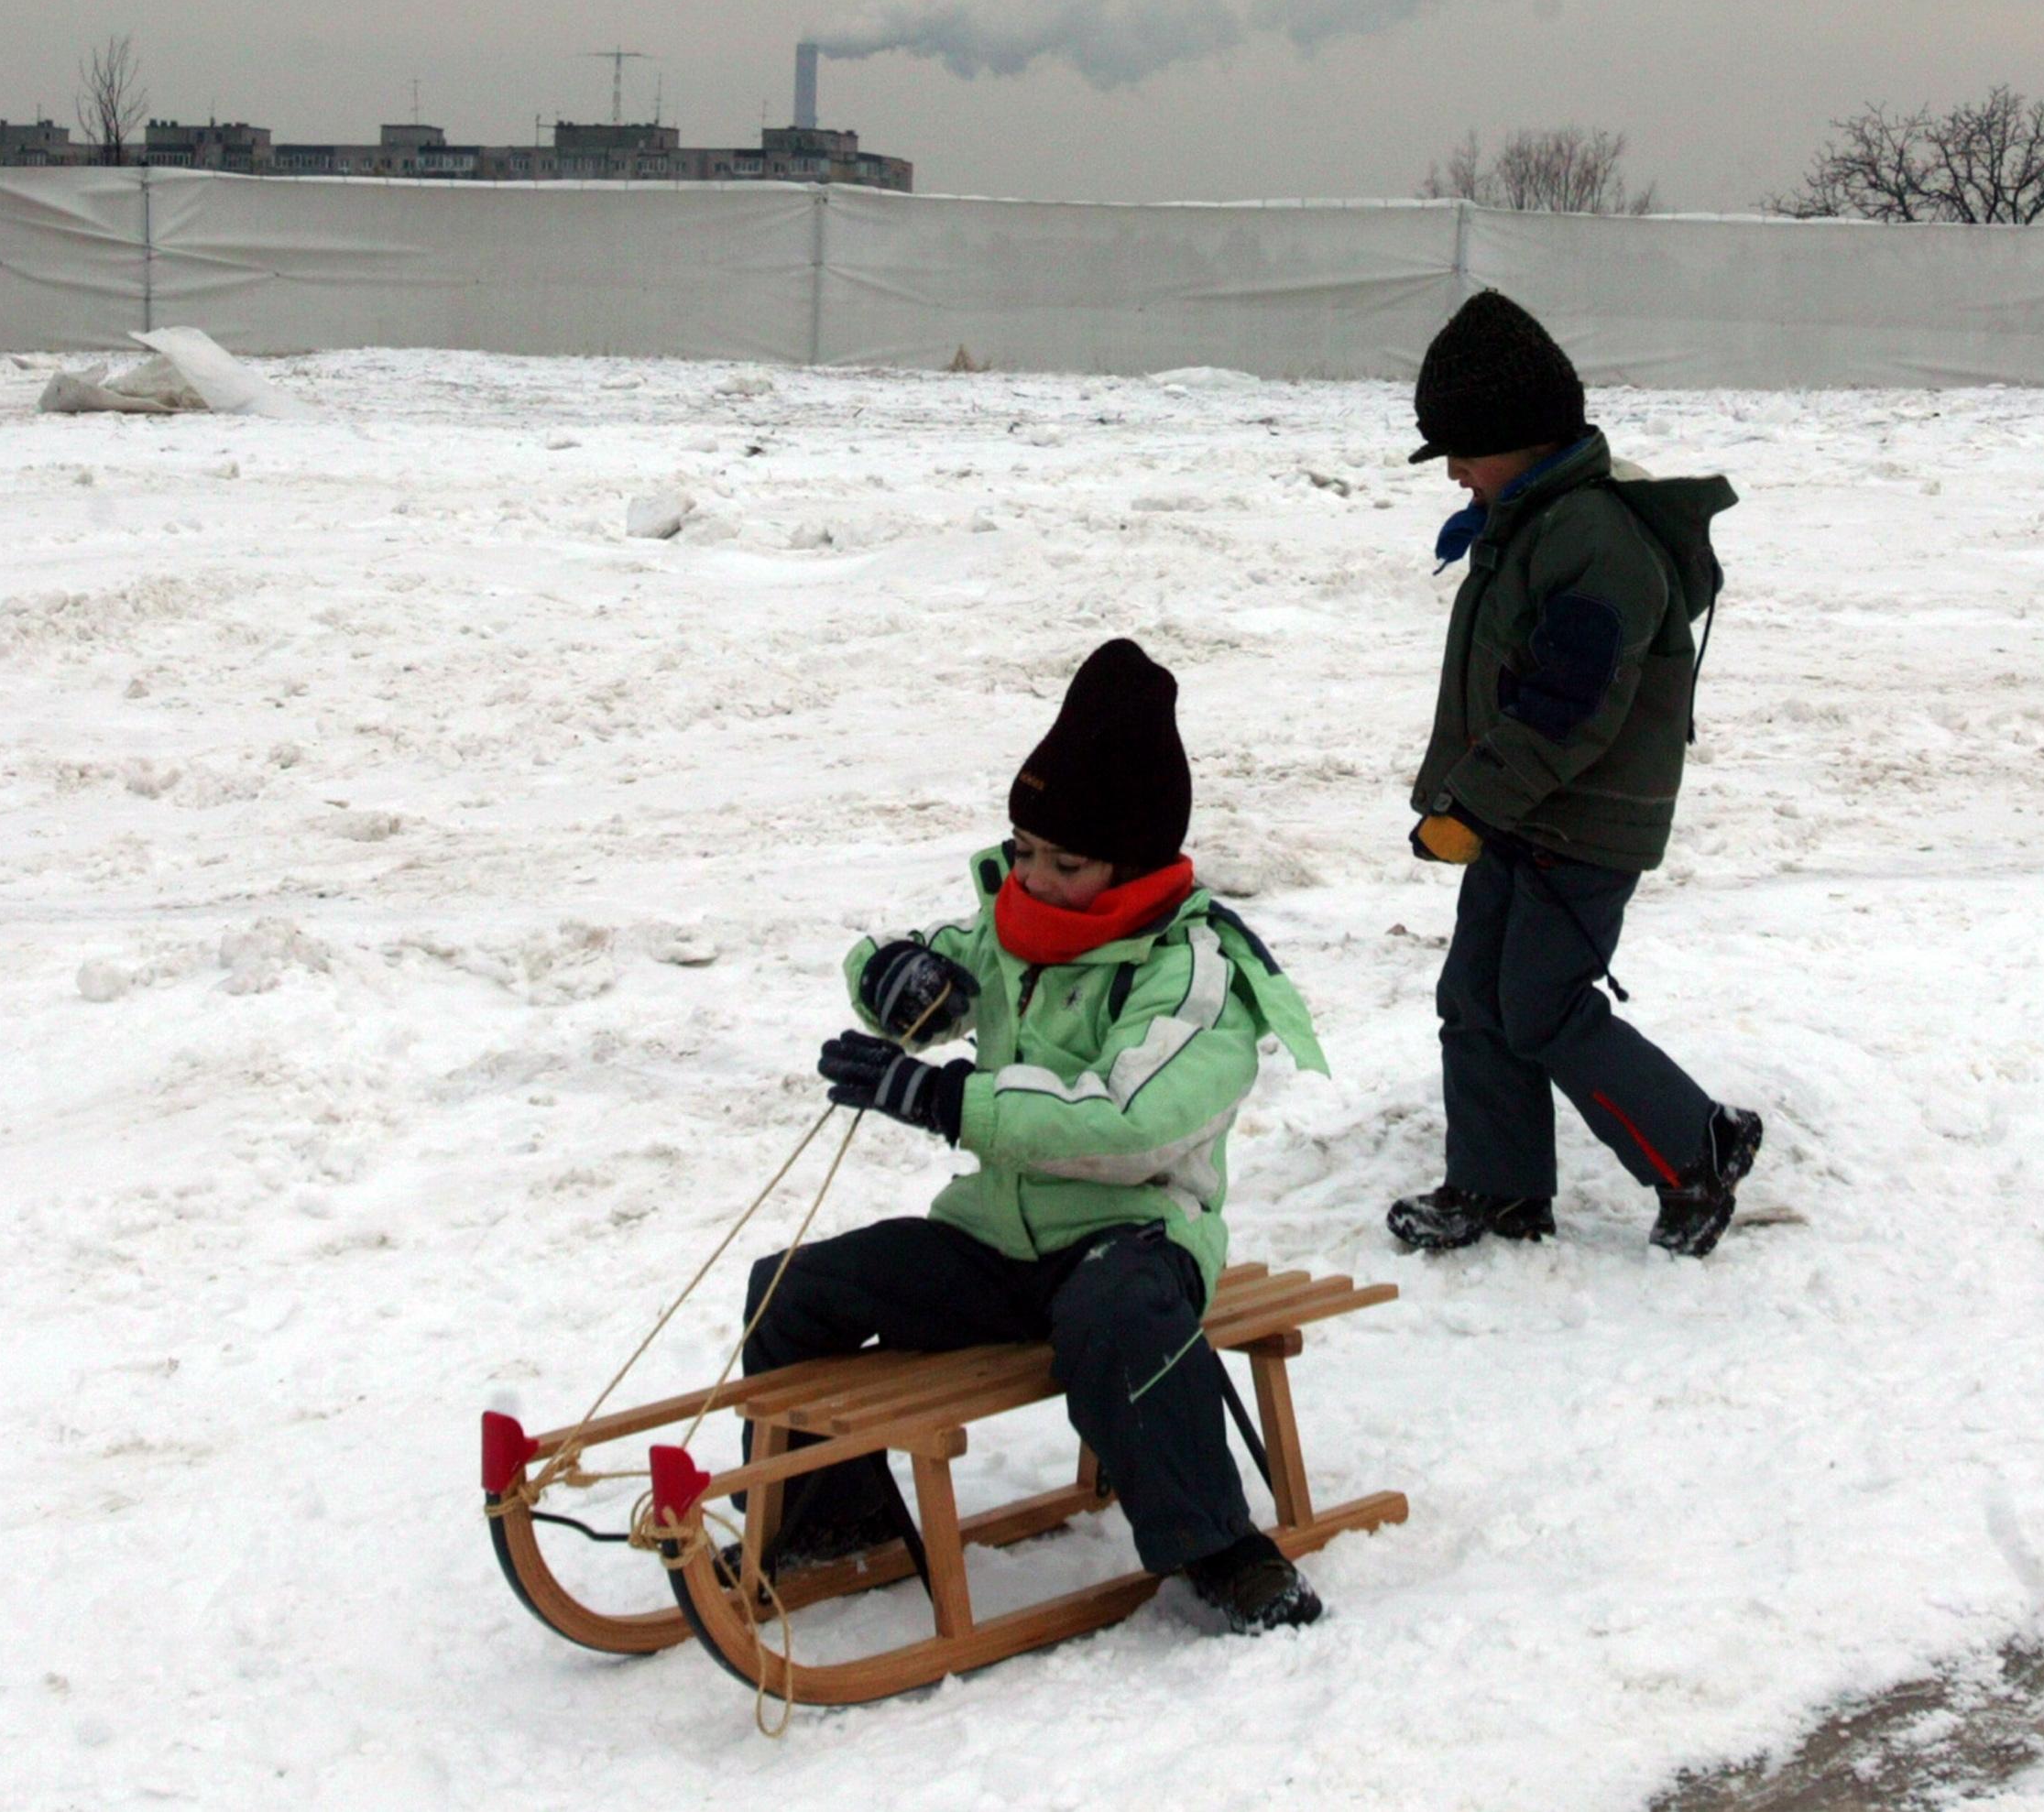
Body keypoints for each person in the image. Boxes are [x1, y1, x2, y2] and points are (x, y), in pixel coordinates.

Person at [743, 638, 1335, 1634]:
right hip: (996, 1241)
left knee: (1118, 1314)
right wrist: (890, 975)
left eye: (1065, 861)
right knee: (790, 1291)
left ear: (1131, 865)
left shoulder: (1197, 971)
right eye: (1022, 851)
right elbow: (931, 961)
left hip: (1132, 1237)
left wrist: (946, 1101)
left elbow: (1131, 1124)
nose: (1034, 878)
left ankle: (1221, 1548)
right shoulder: (1017, 925)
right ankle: (834, 1516)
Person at [1386, 289, 1765, 1259]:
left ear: (1523, 438)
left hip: (1584, 823)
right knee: (1475, 1000)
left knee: (1543, 1009)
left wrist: (1473, 801)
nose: (1456, 473)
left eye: (1465, 451)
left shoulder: (1591, 540)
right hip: (1524, 813)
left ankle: (1698, 1149)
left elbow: (1569, 710)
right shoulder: (1530, 522)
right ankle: (1498, 1187)